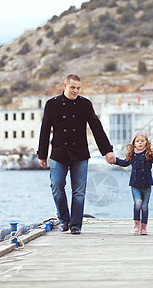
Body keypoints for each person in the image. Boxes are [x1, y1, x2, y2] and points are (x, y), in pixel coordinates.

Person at [37, 74, 116, 234]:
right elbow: (45, 130)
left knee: (79, 192)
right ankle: (64, 220)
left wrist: (107, 150)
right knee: (56, 186)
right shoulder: (52, 104)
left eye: (78, 88)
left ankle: (75, 226)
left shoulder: (85, 104)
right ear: (65, 86)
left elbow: (96, 127)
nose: (75, 91)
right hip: (59, 152)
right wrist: (42, 154)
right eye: (72, 87)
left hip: (80, 153)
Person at [113, 131, 153, 235]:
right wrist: (114, 160)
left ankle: (143, 227)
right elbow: (124, 163)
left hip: (147, 185)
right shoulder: (132, 155)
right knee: (138, 203)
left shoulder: (148, 154)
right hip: (135, 185)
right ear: (134, 143)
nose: (140, 143)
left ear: (146, 142)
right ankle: (136, 224)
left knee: (144, 206)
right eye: (137, 141)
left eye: (142, 141)